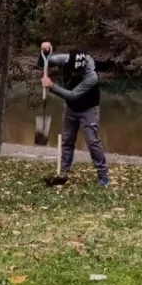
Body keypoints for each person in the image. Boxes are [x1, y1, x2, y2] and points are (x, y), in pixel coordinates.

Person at [39, 41, 110, 187]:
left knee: (92, 142)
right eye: (72, 71)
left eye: (77, 72)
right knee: (67, 141)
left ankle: (103, 177)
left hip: (89, 109)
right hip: (71, 109)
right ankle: (64, 173)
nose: (74, 74)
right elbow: (43, 63)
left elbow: (72, 95)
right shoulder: (65, 59)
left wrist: (51, 86)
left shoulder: (92, 76)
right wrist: (44, 53)